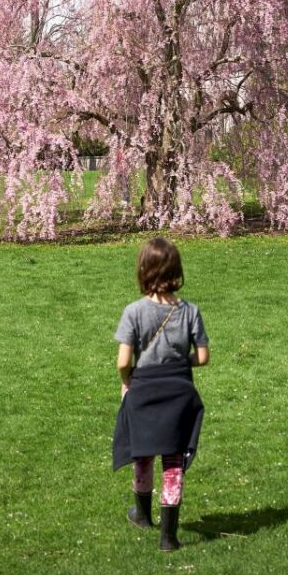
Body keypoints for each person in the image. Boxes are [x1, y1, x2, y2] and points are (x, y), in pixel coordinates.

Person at [112, 237, 209, 552]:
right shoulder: (190, 311)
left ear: (144, 271)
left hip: (144, 388)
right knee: (173, 460)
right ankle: (168, 537)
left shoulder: (134, 312)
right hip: (179, 391)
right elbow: (203, 357)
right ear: (176, 271)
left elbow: (124, 361)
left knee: (143, 453)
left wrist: (127, 382)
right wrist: (181, 361)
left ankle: (142, 516)